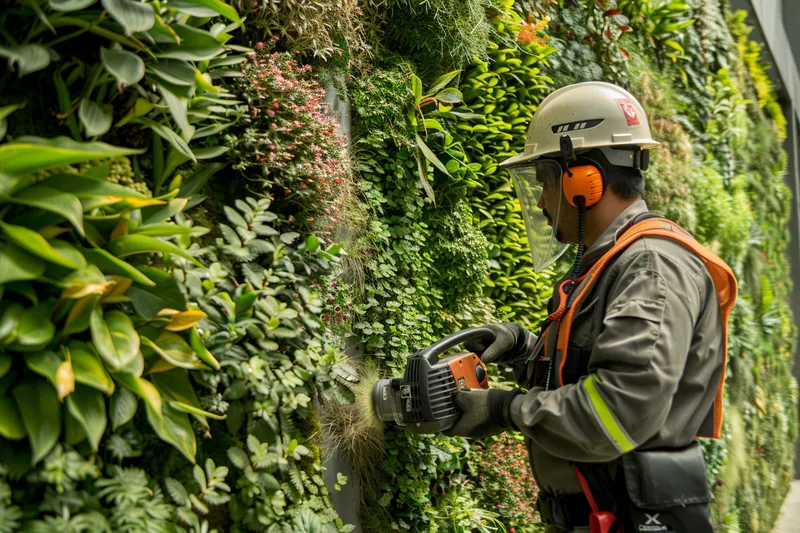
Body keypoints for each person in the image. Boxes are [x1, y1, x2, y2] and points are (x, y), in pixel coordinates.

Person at [441, 81, 737, 533]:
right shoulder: (617, 261)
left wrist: (506, 410)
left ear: (583, 181)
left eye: (544, 181)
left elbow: (618, 411)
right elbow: (587, 371)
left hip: (633, 518)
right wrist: (524, 351)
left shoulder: (651, 267)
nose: (540, 203)